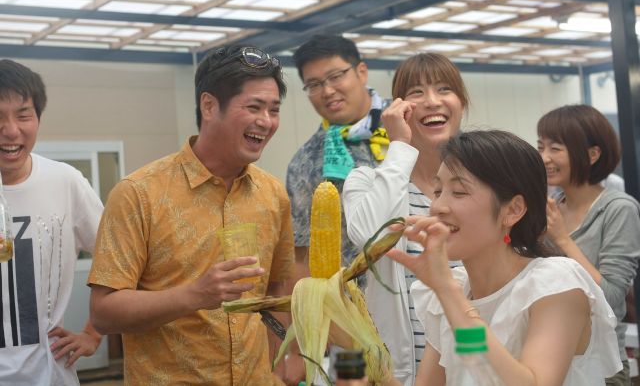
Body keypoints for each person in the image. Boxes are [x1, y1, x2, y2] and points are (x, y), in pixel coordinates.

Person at [88, 46, 296, 385]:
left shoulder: (273, 195)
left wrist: (277, 366)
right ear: (209, 106)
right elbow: (103, 312)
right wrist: (194, 295)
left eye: (274, 110)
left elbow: (277, 289)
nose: (266, 121)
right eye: (254, 107)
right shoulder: (139, 193)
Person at [389, 130, 622, 385]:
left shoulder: (556, 284)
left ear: (513, 210)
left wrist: (447, 291)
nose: (437, 207)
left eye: (459, 192)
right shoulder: (452, 290)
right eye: (437, 191)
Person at [342, 52, 469, 385]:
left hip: (473, 359)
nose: (432, 101)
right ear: (398, 109)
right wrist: (398, 145)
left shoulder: (485, 186)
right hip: (400, 373)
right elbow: (370, 237)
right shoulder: (366, 181)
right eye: (417, 92)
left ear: (462, 103)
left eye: (444, 89)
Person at [0, 59, 103, 385]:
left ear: (38, 119)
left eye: (23, 115)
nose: (11, 130)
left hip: (49, 376)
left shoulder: (65, 182)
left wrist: (94, 332)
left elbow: (120, 258)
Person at [537, 104, 640, 385]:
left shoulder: (619, 209)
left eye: (555, 148)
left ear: (592, 154)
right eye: (541, 146)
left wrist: (561, 238)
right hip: (551, 358)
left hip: (602, 364)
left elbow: (612, 297)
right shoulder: (551, 207)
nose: (544, 157)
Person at [286, 35, 390, 280]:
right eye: (314, 84)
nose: (328, 91)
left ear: (361, 72)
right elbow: (303, 253)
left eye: (335, 76)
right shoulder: (306, 163)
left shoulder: (412, 120)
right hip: (354, 299)